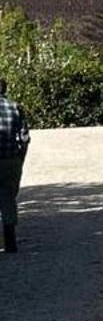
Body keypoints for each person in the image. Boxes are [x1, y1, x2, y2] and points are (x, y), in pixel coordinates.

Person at [0, 75, 30, 254]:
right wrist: (20, 159)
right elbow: (24, 138)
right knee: (8, 198)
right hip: (11, 160)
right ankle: (10, 241)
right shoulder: (15, 107)